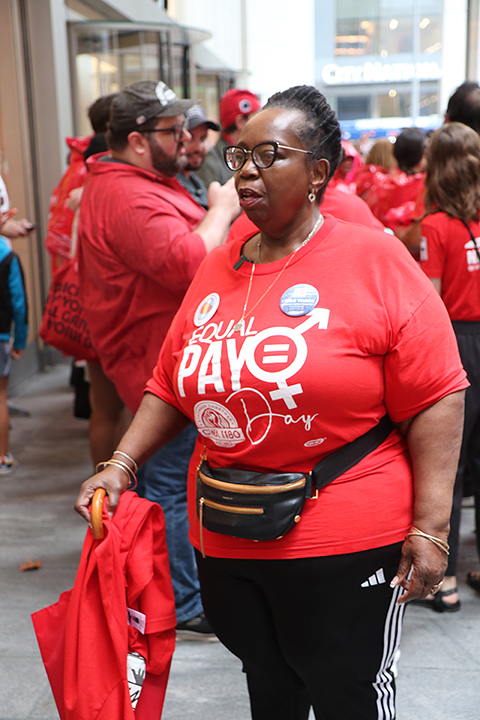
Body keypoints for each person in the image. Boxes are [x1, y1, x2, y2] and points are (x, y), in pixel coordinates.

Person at [75, 85, 467, 720]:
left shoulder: (373, 258)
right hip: (227, 533)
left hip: (345, 537)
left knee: (348, 693)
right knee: (269, 687)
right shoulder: (218, 266)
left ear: (318, 172)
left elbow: (438, 393)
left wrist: (432, 527)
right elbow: (170, 382)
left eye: (269, 155)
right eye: (240, 157)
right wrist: (120, 465)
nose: (246, 171)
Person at [77, 80, 239, 637]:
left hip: (167, 359)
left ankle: (176, 594)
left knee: (169, 481)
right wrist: (221, 209)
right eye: (174, 131)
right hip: (158, 367)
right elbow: (190, 260)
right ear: (139, 141)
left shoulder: (136, 182)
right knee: (168, 483)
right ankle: (185, 602)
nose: (186, 141)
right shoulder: (125, 193)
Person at [417, 122, 480, 609]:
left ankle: (448, 582)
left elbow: (431, 300)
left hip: (457, 341)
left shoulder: (435, 226)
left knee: (448, 462)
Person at [0, 217, 28, 474]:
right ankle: (2, 457)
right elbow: (18, 304)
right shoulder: (7, 256)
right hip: (0, 338)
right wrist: (20, 340)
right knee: (0, 397)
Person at [197, 88, 260, 188]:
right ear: (241, 122)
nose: (262, 125)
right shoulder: (210, 163)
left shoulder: (254, 154)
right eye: (257, 118)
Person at [177, 105, 219, 209]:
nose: (198, 147)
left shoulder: (194, 180)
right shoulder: (173, 185)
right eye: (190, 138)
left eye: (203, 138)